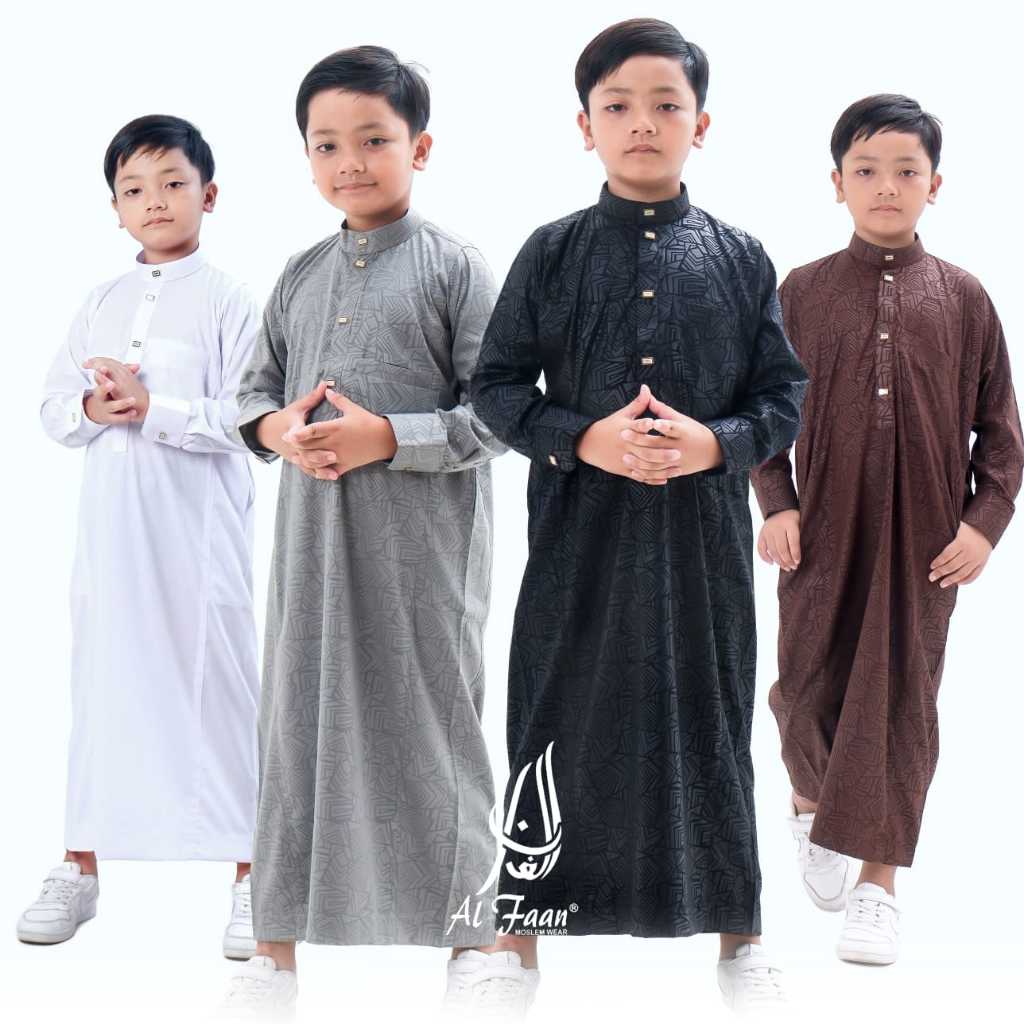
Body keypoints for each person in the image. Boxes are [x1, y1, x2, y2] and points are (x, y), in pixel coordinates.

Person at [469, 18, 807, 1016]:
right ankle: (517, 935)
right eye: (617, 105)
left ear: (703, 122)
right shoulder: (551, 251)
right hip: (576, 535)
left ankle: (740, 933)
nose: (643, 123)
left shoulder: (741, 257)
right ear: (585, 126)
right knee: (552, 709)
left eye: (667, 104)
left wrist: (713, 443)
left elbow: (783, 395)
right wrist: (583, 438)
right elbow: (495, 387)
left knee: (714, 714)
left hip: (702, 543)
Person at [223, 46, 509, 1018]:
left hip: (424, 552)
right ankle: (274, 947)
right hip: (311, 550)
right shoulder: (299, 273)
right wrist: (276, 432)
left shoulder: (456, 268)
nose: (350, 161)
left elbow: (497, 413)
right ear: (306, 157)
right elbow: (253, 394)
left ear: (419, 147)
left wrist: (388, 435)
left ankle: (471, 933)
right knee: (295, 722)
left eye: (374, 140)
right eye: (327, 144)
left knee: (436, 726)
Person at [750, 94, 1024, 966]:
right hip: (821, 534)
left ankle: (878, 888)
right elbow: (764, 415)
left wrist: (984, 525)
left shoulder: (966, 298)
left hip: (924, 547)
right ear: (836, 183)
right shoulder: (801, 291)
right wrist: (777, 502)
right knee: (803, 687)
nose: (886, 185)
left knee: (900, 701)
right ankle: (811, 804)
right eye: (866, 170)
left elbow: (1002, 436)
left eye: (907, 170)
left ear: (935, 185)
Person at [23, 114, 262, 959]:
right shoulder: (101, 301)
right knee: (103, 685)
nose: (154, 201)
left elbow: (250, 419)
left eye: (171, 183)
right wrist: (97, 406)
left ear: (209, 194)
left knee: (220, 684)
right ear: (115, 208)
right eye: (133, 188)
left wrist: (152, 407)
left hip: (199, 530)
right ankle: (80, 864)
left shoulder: (229, 299)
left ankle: (253, 872)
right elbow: (55, 409)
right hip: (111, 530)